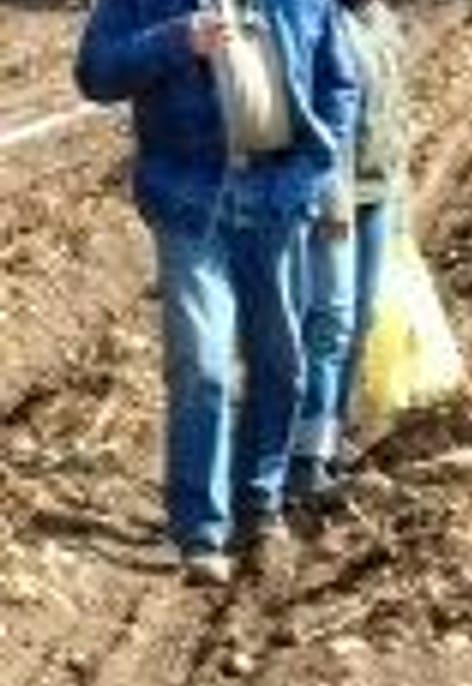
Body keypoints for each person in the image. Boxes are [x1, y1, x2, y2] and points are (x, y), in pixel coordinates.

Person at [76, 0, 359, 584]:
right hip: (189, 201)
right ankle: (200, 528)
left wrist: (313, 172)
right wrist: (177, 40)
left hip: (278, 199)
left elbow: (339, 83)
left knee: (281, 363)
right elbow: (95, 73)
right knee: (201, 363)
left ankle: (259, 503)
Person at [291, 0, 408, 505]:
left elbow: (396, 113)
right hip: (333, 200)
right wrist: (329, 196)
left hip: (379, 194)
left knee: (358, 323)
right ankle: (303, 459)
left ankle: (330, 439)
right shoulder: (317, 19)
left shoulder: (381, 18)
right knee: (327, 325)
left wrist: (400, 198)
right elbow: (313, 114)